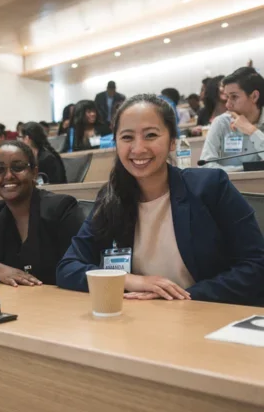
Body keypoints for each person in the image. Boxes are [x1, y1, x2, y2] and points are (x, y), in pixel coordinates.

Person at [56, 94, 264, 307]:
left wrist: (183, 296)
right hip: (140, 320)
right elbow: (68, 267)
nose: (138, 148)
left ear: (172, 141)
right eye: (127, 137)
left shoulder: (210, 186)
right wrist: (133, 281)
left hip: (204, 315)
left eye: (151, 135)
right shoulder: (111, 198)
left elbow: (256, 265)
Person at [0, 141, 85, 286]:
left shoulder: (61, 208)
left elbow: (78, 267)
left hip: (59, 302)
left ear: (34, 173)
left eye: (18, 168)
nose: (8, 176)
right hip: (13, 302)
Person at [200, 67, 264, 172]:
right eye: (227, 97)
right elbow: (205, 166)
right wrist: (245, 170)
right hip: (229, 186)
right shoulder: (221, 123)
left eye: (234, 97)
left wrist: (252, 131)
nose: (228, 104)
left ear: (254, 96)